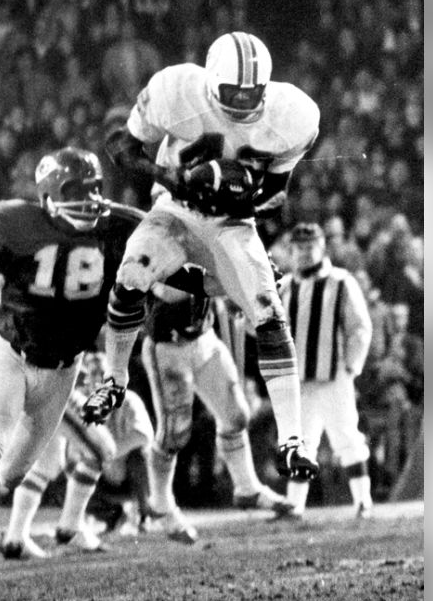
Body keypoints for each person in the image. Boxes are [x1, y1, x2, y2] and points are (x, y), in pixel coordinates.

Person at [81, 31, 321, 488]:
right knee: (132, 272)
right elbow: (123, 148)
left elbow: (274, 195)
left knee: (269, 311)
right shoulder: (177, 89)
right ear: (211, 82)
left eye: (253, 94)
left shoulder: (293, 115)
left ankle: (293, 439)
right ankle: (114, 379)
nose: (243, 101)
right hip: (174, 208)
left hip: (232, 220)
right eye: (233, 92)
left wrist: (237, 191)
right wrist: (171, 177)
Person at [0, 147, 143, 601]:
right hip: (10, 355)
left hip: (63, 371)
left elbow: (174, 257)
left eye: (96, 190)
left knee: (12, 474)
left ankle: (21, 527)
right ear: (47, 197)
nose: (91, 201)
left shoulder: (119, 226)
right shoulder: (9, 221)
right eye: (77, 192)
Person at [139, 265, 295, 542]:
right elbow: (172, 290)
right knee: (175, 433)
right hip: (167, 347)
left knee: (236, 416)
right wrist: (237, 278)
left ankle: (247, 488)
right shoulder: (161, 237)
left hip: (204, 339)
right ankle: (160, 504)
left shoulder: (205, 230)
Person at [0, 351, 154, 559]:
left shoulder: (121, 397)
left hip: (26, 377)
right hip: (49, 380)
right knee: (103, 448)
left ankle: (15, 538)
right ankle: (71, 528)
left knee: (47, 463)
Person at [277, 223, 375, 518]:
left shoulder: (340, 282)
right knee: (300, 441)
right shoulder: (283, 287)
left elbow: (360, 327)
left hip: (333, 376)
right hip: (298, 380)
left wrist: (350, 366)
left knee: (346, 435)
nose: (305, 254)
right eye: (299, 248)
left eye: (310, 247)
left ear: (322, 248)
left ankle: (363, 501)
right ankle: (294, 505)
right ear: (291, 252)